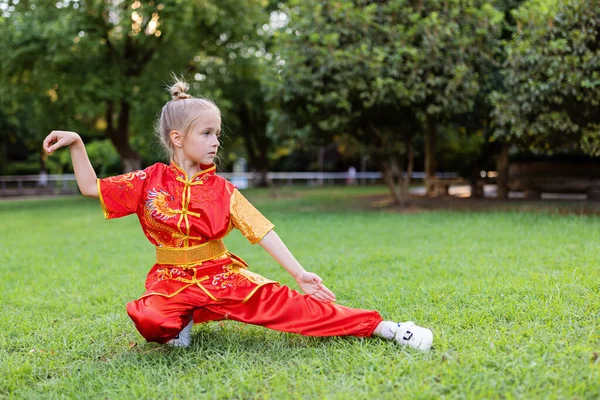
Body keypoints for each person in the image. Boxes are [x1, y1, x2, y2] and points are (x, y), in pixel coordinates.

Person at [42, 78, 433, 351]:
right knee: (151, 320)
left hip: (222, 275)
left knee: (295, 308)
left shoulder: (223, 190)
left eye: (217, 133)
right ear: (177, 139)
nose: (216, 142)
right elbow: (92, 188)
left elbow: (261, 231)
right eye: (207, 133)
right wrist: (77, 142)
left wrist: (299, 273)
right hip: (169, 279)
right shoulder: (149, 180)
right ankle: (184, 318)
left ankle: (384, 327)